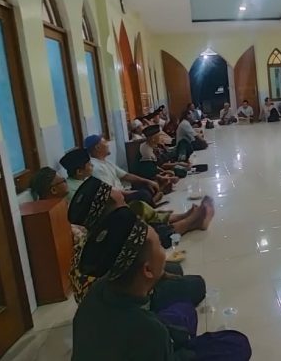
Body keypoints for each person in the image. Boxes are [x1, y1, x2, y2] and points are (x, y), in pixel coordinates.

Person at [72, 207, 251, 361]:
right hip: (151, 345)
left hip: (132, 342)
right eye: (159, 245)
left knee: (186, 310)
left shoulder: (99, 290)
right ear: (147, 270)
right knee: (237, 344)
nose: (164, 251)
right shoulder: (150, 331)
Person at [68, 178, 213, 309]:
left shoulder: (100, 236)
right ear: (110, 201)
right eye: (114, 190)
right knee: (197, 285)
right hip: (120, 305)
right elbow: (131, 282)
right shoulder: (115, 240)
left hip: (123, 286)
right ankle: (194, 221)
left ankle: (194, 221)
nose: (121, 193)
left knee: (174, 268)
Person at [85, 134, 160, 205]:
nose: (108, 145)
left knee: (146, 185)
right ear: (97, 147)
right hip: (116, 198)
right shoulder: (96, 167)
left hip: (123, 191)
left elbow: (126, 175)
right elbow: (111, 192)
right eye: (105, 142)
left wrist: (147, 181)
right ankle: (151, 201)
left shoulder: (106, 162)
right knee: (143, 194)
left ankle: (150, 200)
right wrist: (134, 192)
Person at [139, 125, 179, 192]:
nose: (161, 138)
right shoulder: (146, 151)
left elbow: (154, 166)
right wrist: (166, 178)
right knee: (166, 180)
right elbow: (149, 173)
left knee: (170, 173)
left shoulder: (151, 146)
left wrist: (163, 171)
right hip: (145, 179)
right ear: (153, 138)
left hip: (152, 174)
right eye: (159, 136)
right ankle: (160, 190)